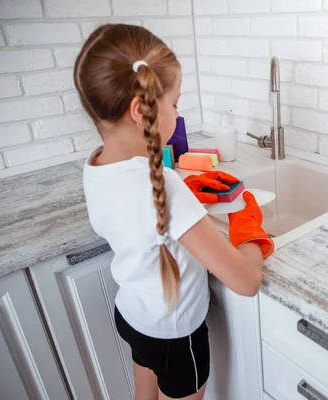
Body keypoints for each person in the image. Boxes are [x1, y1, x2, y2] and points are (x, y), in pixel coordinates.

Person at [77, 24, 273, 400]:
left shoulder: (96, 165)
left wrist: (185, 204)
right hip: (174, 336)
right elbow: (246, 282)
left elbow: (142, 221)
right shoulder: (165, 189)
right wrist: (248, 229)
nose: (178, 112)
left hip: (133, 317)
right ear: (141, 111)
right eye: (175, 102)